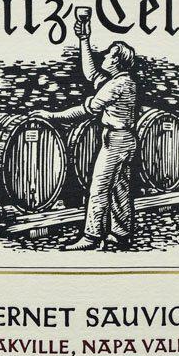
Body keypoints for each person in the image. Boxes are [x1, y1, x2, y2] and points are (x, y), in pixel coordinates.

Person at [47, 19, 138, 251]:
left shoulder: (115, 86)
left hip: (115, 141)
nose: (105, 56)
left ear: (116, 61)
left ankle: (91, 236)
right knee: (120, 188)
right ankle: (120, 235)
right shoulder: (123, 81)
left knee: (99, 188)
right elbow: (91, 74)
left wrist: (53, 116)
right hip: (126, 139)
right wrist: (84, 39)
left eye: (109, 54)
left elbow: (86, 110)